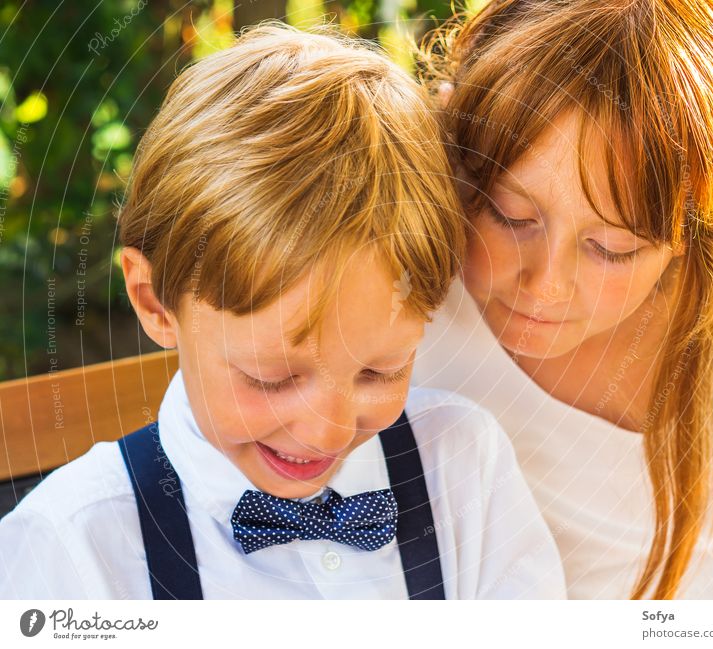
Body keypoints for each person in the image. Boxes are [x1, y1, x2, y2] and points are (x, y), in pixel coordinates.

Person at [0, 22, 566, 600]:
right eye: (271, 377)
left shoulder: (463, 469)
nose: (329, 430)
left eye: (380, 371)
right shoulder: (71, 551)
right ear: (155, 302)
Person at [413, 0, 713, 599]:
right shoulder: (403, 300)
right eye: (509, 216)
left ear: (690, 236)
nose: (545, 285)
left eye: (612, 249)